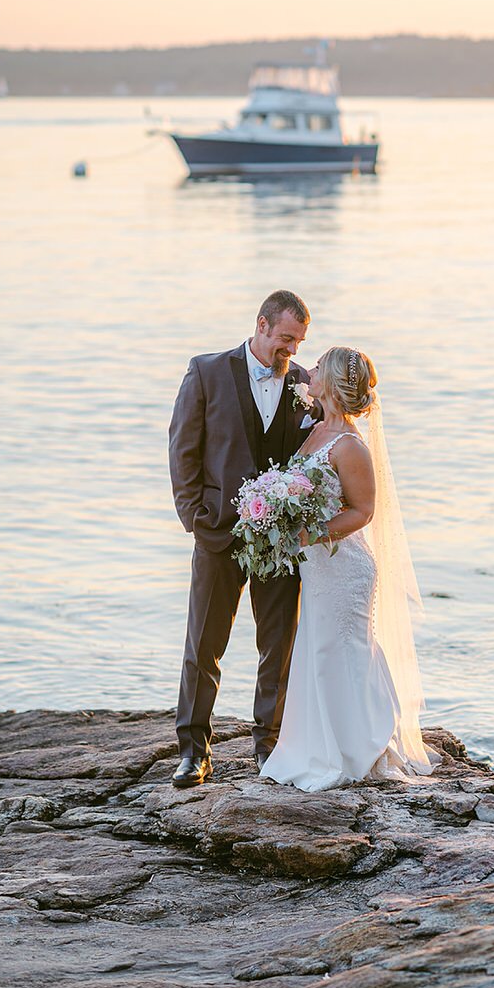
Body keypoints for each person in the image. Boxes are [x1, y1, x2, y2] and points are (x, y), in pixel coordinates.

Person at [261, 346, 437, 791]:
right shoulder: (315, 429)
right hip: (318, 567)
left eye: (319, 366)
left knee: (341, 650)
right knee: (316, 649)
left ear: (334, 381)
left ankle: (358, 748)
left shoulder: (350, 445)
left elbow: (363, 511)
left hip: (345, 567)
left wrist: (311, 534)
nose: (309, 370)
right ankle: (314, 745)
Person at [168, 289, 320, 788]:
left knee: (278, 645)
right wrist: (195, 517)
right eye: (285, 338)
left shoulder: (303, 384)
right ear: (261, 325)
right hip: (218, 533)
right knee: (204, 644)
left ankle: (269, 746)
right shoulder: (206, 371)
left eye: (298, 342)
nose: (291, 350)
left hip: (281, 539)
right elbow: (183, 449)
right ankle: (194, 751)